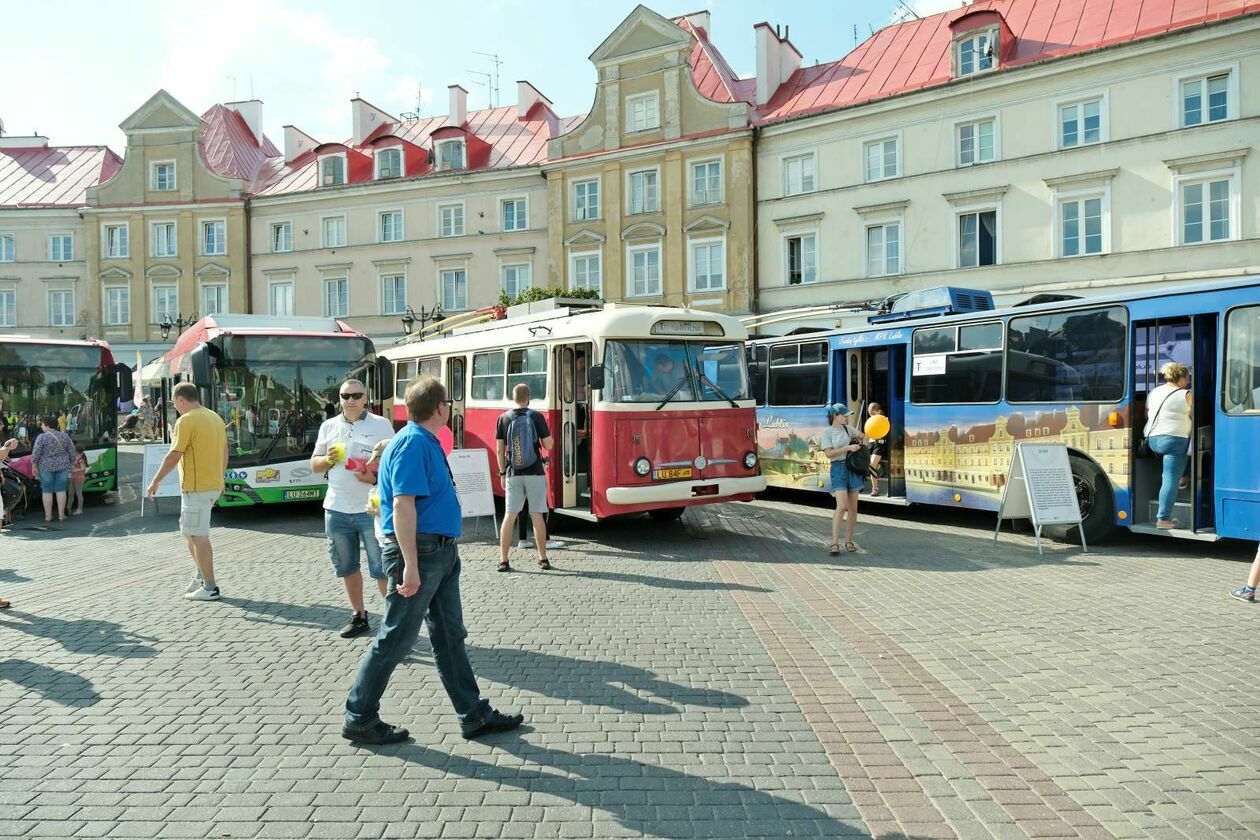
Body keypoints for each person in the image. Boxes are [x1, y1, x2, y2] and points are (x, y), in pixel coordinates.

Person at [342, 375, 523, 745]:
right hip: (421, 553)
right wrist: (409, 564)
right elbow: (402, 506)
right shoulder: (412, 443)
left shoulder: (420, 440)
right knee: (396, 637)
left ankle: (472, 714)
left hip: (437, 551)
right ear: (440, 408)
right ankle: (359, 715)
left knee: (449, 636)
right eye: (448, 404)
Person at [311, 378, 395, 639]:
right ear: (339, 398)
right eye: (345, 396)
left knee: (382, 567)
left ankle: (394, 623)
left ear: (366, 398)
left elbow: (394, 464)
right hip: (336, 508)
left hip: (371, 508)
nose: (350, 400)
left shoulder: (381, 425)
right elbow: (314, 465)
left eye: (356, 395)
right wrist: (327, 459)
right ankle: (359, 616)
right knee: (346, 566)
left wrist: (372, 477)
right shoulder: (328, 426)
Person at [145, 381, 228, 602]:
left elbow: (174, 455)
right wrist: (221, 478)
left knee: (198, 536)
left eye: (174, 403)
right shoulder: (214, 417)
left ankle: (210, 586)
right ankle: (202, 575)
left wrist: (155, 481)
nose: (175, 407)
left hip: (196, 487)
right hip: (210, 485)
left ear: (181, 399)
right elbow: (224, 450)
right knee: (190, 532)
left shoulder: (186, 420)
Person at [495, 383, 554, 572]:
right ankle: (542, 558)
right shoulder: (536, 416)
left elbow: (499, 450)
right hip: (535, 471)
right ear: (529, 397)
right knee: (537, 514)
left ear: (513, 398)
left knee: (509, 515)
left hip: (513, 473)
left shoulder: (503, 418)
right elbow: (549, 445)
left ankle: (503, 560)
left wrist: (502, 473)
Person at [1144, 362, 1193, 530]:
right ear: (1180, 378)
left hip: (1153, 440)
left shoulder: (1154, 392)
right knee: (1170, 479)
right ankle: (1163, 519)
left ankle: (1183, 476)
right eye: (1187, 379)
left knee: (1178, 465)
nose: (1188, 382)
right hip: (1174, 440)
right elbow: (1196, 415)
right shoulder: (1185, 394)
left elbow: (1148, 412)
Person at [821, 403, 868, 554]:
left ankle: (848, 541)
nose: (847, 418)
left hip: (852, 469)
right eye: (844, 415)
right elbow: (828, 454)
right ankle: (834, 542)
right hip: (838, 469)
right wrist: (848, 448)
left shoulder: (848, 429)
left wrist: (861, 447)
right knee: (841, 507)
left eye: (847, 415)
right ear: (835, 416)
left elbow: (865, 437)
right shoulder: (827, 432)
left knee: (853, 508)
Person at [30, 415, 76, 523]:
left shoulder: (41, 437)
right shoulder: (64, 436)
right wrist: (72, 462)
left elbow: (36, 452)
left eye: (42, 424)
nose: (41, 426)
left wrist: (34, 465)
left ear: (47, 425)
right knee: (60, 490)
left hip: (45, 467)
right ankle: (61, 515)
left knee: (47, 490)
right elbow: (72, 452)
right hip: (62, 466)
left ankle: (48, 516)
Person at [866, 402, 888, 497]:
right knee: (870, 465)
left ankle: (875, 489)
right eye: (870, 414)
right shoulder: (871, 420)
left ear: (879, 411)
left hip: (880, 443)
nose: (871, 416)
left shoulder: (884, 420)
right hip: (871, 443)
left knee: (872, 465)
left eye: (873, 413)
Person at [69, 446, 88, 515]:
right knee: (70, 493)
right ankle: (68, 508)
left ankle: (80, 509)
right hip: (73, 477)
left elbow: (83, 468)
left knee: (78, 493)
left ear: (76, 451)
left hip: (79, 478)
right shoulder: (76, 458)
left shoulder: (80, 460)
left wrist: (75, 470)